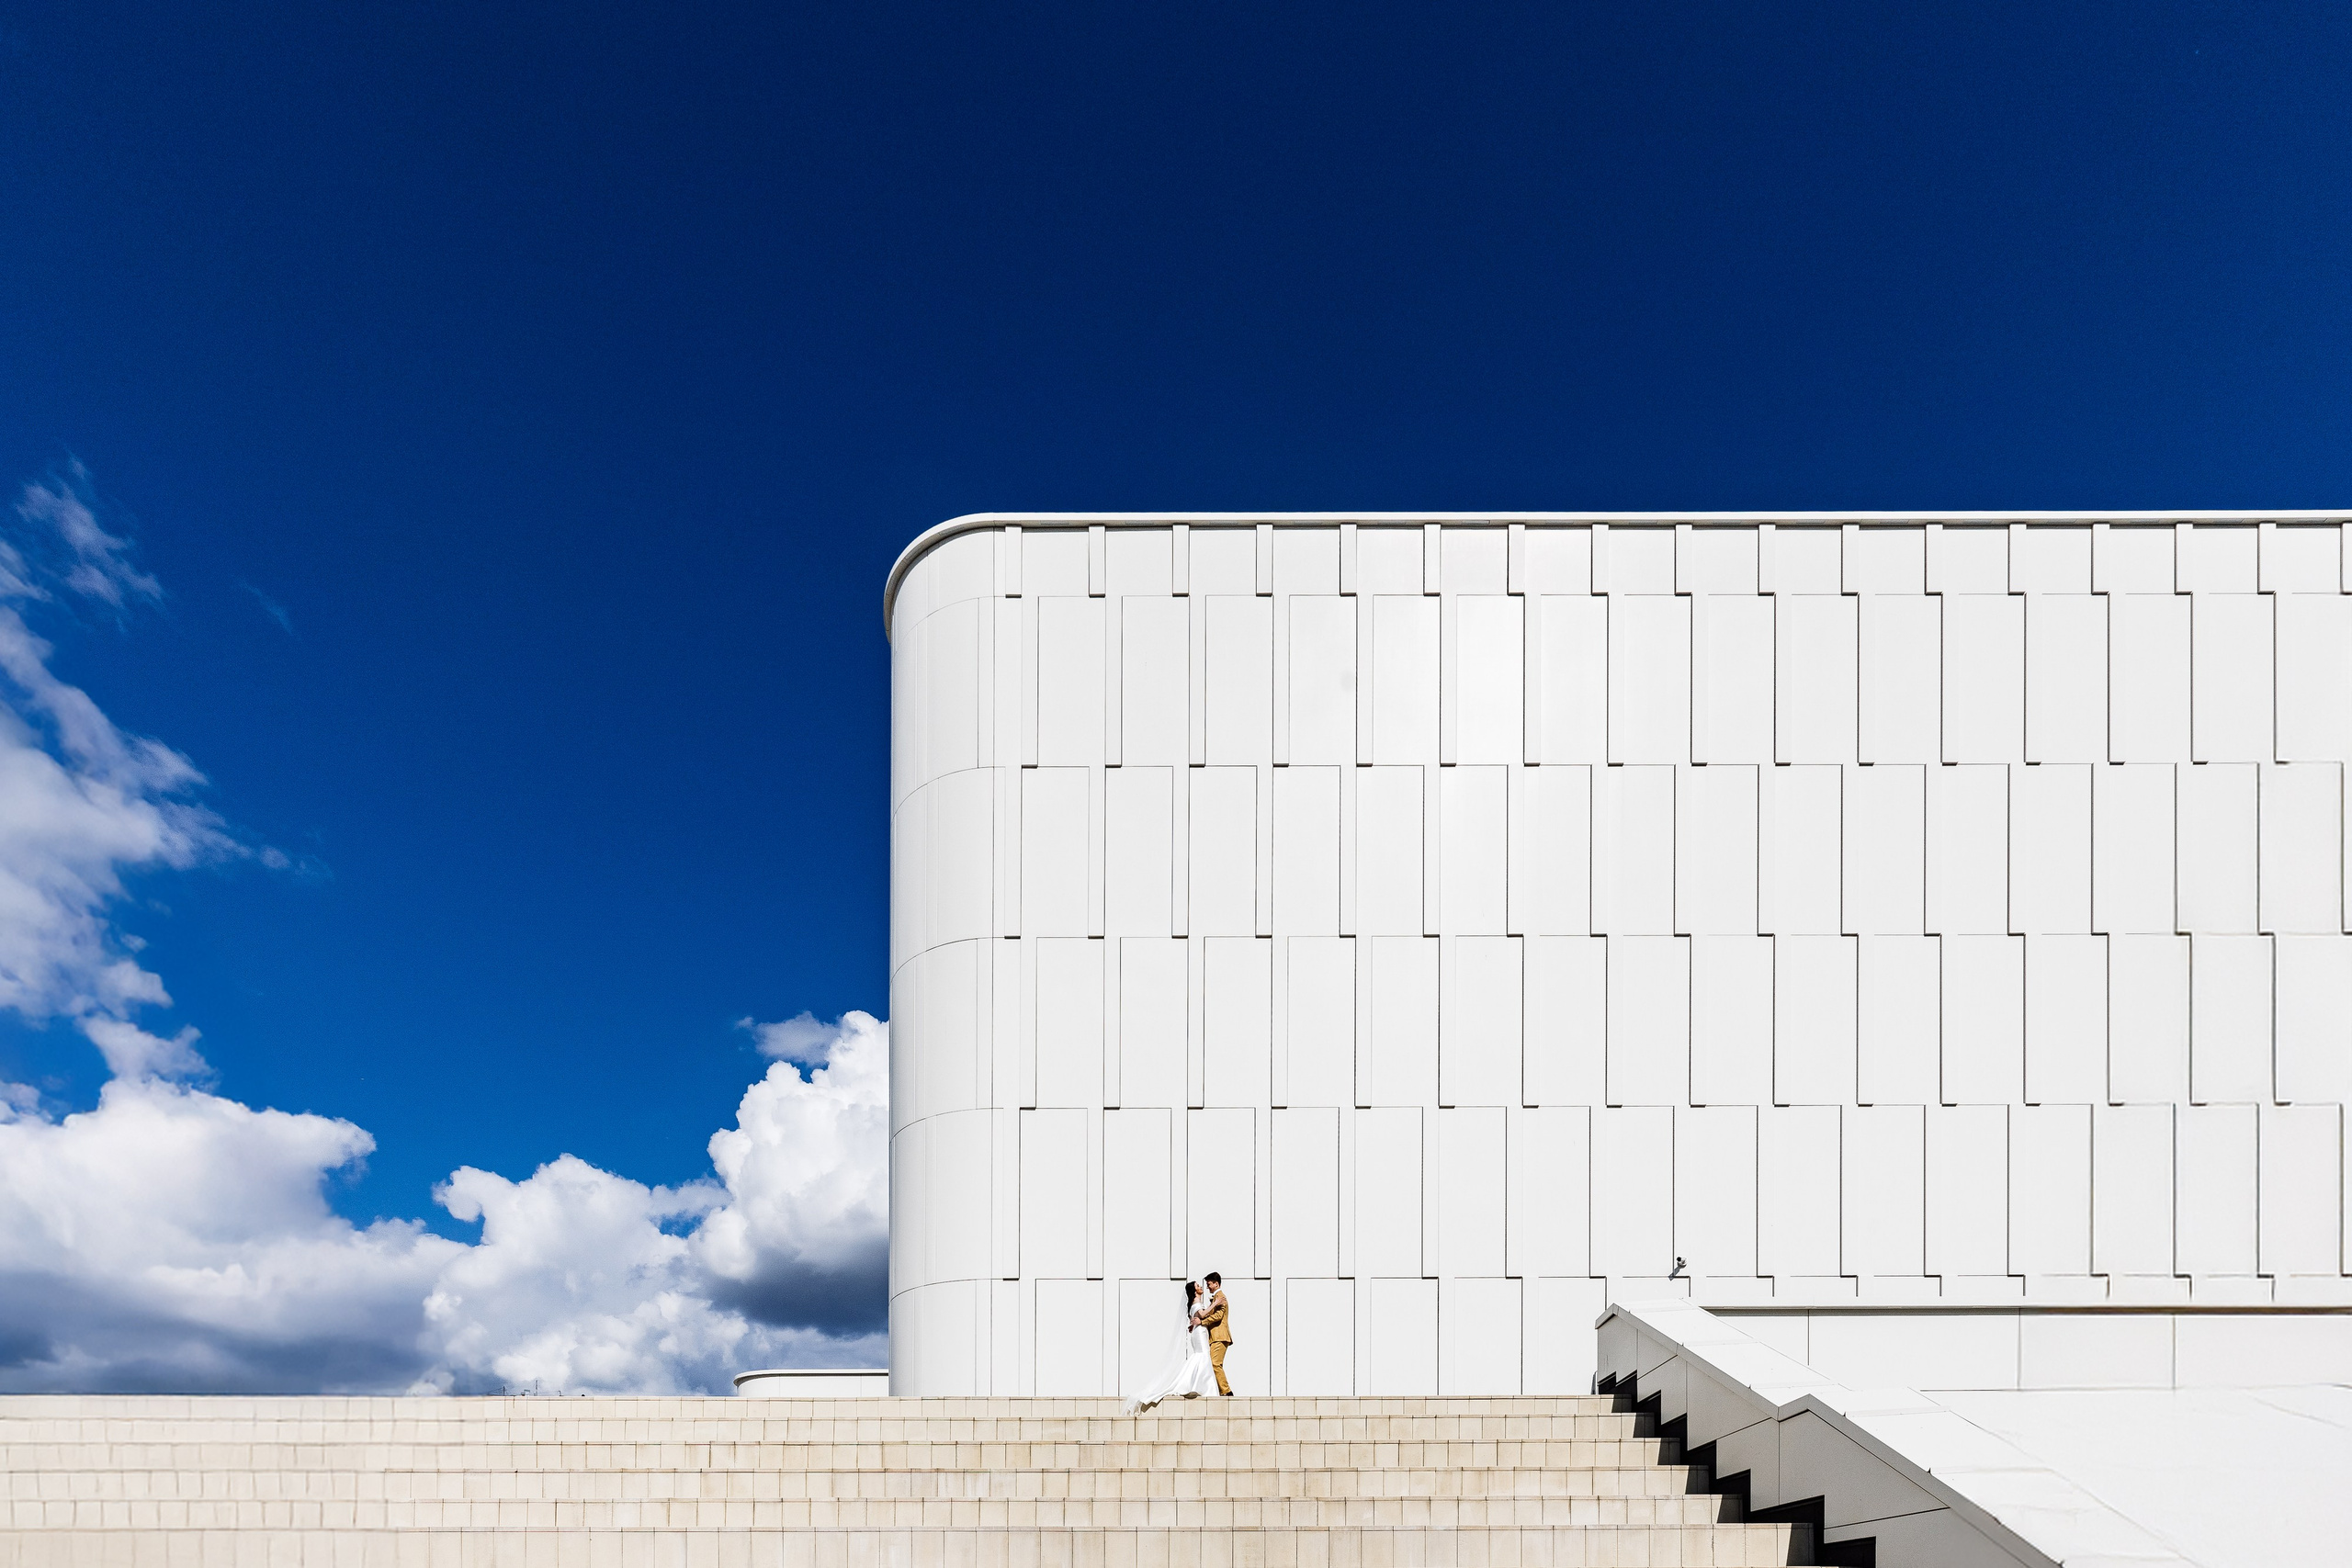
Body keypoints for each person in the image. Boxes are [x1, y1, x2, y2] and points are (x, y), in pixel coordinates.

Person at [1123, 1280, 1220, 1413]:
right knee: (1203, 1355)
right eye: (1198, 1286)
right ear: (1194, 1291)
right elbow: (1202, 1315)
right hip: (1200, 1333)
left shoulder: (1194, 1303)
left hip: (1199, 1332)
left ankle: (1198, 1384)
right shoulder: (1197, 1302)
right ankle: (1205, 1388)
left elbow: (1198, 1316)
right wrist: (1215, 1304)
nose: (1201, 1287)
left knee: (1201, 1356)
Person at [1200, 1271, 1232, 1396]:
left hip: (1220, 1336)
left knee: (1214, 1364)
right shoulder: (1216, 1298)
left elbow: (1218, 1316)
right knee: (1216, 1364)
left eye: (1209, 1284)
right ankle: (1222, 1391)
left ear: (1216, 1284)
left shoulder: (1220, 1297)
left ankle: (1226, 1391)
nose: (1207, 1287)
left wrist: (1203, 1322)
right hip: (1216, 1337)